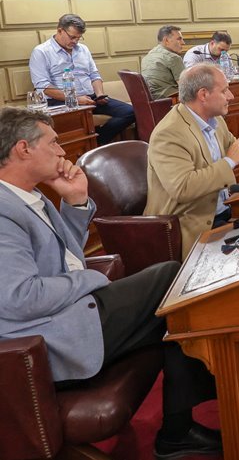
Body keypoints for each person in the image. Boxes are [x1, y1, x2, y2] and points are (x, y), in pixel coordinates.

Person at [0, 107, 220, 458]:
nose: (61, 151)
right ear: (23, 148)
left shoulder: (28, 196)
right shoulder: (3, 211)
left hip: (67, 312)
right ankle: (194, 416)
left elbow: (66, 258)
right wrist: (90, 280)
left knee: (174, 304)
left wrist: (76, 202)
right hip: (48, 340)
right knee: (169, 276)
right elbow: (20, 297)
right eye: (53, 143)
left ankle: (181, 428)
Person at [144, 65, 239, 255]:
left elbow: (235, 153)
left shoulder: (215, 119)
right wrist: (229, 161)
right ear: (203, 94)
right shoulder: (169, 133)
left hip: (225, 211)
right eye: (224, 91)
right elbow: (183, 188)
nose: (231, 96)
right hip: (191, 225)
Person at [29, 14, 136, 146]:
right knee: (76, 125)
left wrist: (99, 94)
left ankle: (96, 144)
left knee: (130, 112)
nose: (75, 41)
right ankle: (90, 146)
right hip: (61, 101)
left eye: (79, 38)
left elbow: (94, 75)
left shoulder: (83, 49)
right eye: (72, 37)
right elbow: (43, 86)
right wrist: (76, 99)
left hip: (91, 97)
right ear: (60, 30)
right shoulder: (41, 51)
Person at [141, 24, 187, 99]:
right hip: (169, 100)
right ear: (166, 40)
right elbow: (186, 88)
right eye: (179, 39)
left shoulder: (148, 56)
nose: (183, 42)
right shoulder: (173, 58)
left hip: (150, 99)